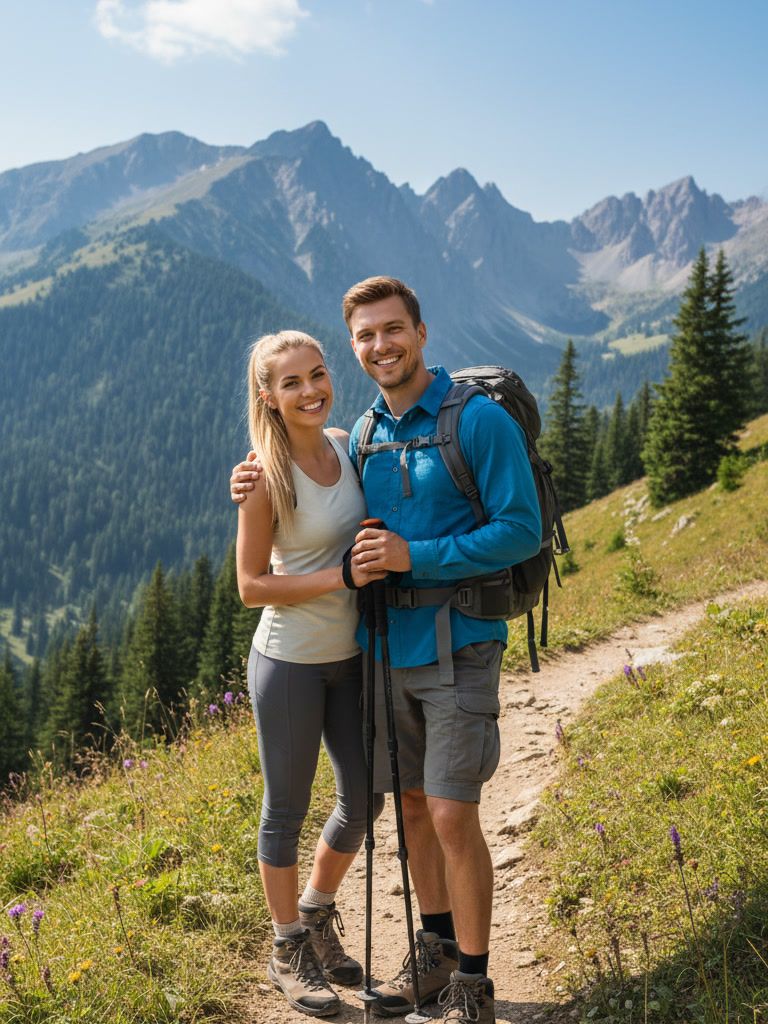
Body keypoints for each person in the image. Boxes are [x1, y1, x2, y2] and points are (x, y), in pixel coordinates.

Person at [232, 280, 541, 1024]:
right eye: (366, 336)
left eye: (393, 330)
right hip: (377, 651)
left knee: (446, 811)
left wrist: (414, 557)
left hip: (456, 642)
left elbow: (521, 529)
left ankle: (471, 981)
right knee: (400, 801)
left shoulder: (468, 423)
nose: (381, 346)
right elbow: (267, 544)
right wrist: (249, 479)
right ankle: (416, 953)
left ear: (422, 332)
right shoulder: (364, 432)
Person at [236, 329, 386, 1018]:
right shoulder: (263, 476)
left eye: (317, 374)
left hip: (350, 656)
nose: (309, 390)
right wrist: (340, 576)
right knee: (285, 811)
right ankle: (288, 945)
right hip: (289, 663)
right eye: (291, 382)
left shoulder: (347, 445)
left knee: (364, 799)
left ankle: (317, 911)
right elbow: (250, 585)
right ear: (267, 395)